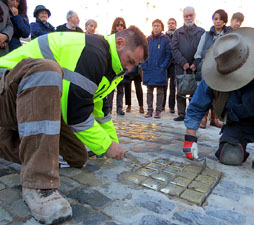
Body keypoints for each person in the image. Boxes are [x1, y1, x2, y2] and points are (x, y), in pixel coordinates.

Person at [0, 26, 148, 224]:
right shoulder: (92, 52)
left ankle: (4, 142)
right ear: (120, 43)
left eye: (134, 66)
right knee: (47, 71)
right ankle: (39, 184)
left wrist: (114, 143)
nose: (130, 69)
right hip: (7, 89)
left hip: (34, 103)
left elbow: (100, 113)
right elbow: (75, 113)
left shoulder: (111, 68)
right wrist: (106, 146)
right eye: (130, 61)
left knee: (77, 156)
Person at [183, 27, 254, 184]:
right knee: (230, 157)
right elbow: (197, 105)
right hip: (240, 118)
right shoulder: (215, 70)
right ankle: (237, 144)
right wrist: (190, 138)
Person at [194, 9, 232, 129]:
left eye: (220, 19)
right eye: (215, 19)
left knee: (218, 94)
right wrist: (198, 63)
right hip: (207, 69)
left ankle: (214, 118)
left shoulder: (228, 36)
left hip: (221, 70)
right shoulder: (206, 35)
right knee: (206, 93)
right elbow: (198, 52)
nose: (218, 21)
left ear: (224, 21)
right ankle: (203, 117)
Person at [172, 6, 205, 121]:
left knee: (194, 91)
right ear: (183, 17)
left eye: (191, 15)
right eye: (186, 16)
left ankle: (192, 113)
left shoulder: (201, 32)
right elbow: (174, 49)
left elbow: (203, 49)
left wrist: (196, 63)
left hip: (196, 67)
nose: (189, 18)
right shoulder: (177, 32)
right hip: (182, 67)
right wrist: (183, 62)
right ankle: (181, 113)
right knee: (180, 90)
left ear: (194, 16)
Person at [142, 19, 171, 119]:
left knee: (160, 91)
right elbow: (143, 54)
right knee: (149, 91)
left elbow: (168, 55)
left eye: (158, 25)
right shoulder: (148, 39)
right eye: (154, 25)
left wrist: (163, 66)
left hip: (159, 69)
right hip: (149, 69)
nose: (156, 27)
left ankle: (158, 111)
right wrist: (144, 65)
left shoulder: (166, 39)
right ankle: (149, 110)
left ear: (162, 28)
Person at [106, 17, 127, 115]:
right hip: (111, 65)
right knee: (110, 89)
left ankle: (119, 108)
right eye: (118, 25)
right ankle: (109, 107)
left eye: (121, 25)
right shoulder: (110, 37)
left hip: (121, 66)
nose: (119, 27)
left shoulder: (127, 39)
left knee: (120, 89)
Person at [162, 17, 177, 114]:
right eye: (169, 23)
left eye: (173, 23)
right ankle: (162, 106)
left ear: (175, 24)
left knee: (173, 87)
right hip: (165, 63)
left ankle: (172, 107)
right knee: (163, 86)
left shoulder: (178, 34)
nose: (171, 24)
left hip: (174, 64)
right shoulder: (164, 36)